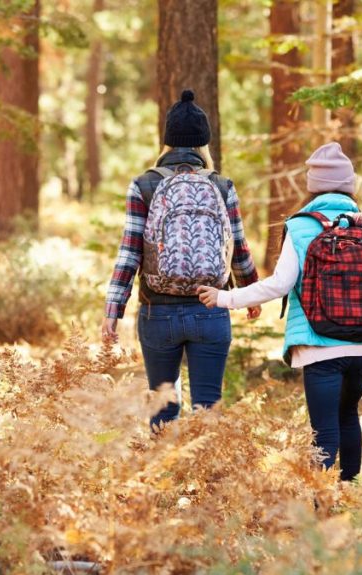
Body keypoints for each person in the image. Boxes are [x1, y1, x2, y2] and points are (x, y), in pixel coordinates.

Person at [198, 142, 362, 481]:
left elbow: (279, 285)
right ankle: (349, 495)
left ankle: (321, 508)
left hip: (319, 344)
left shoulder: (300, 226)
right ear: (349, 186)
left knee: (324, 430)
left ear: (313, 186)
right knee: (348, 415)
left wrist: (225, 298)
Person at [101, 89, 261, 430]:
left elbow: (129, 254)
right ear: (204, 143)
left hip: (157, 312)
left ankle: (164, 480)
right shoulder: (221, 185)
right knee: (207, 409)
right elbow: (238, 247)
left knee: (162, 408)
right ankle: (205, 480)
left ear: (167, 142)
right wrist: (251, 293)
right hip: (211, 308)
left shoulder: (144, 184)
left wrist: (112, 311)